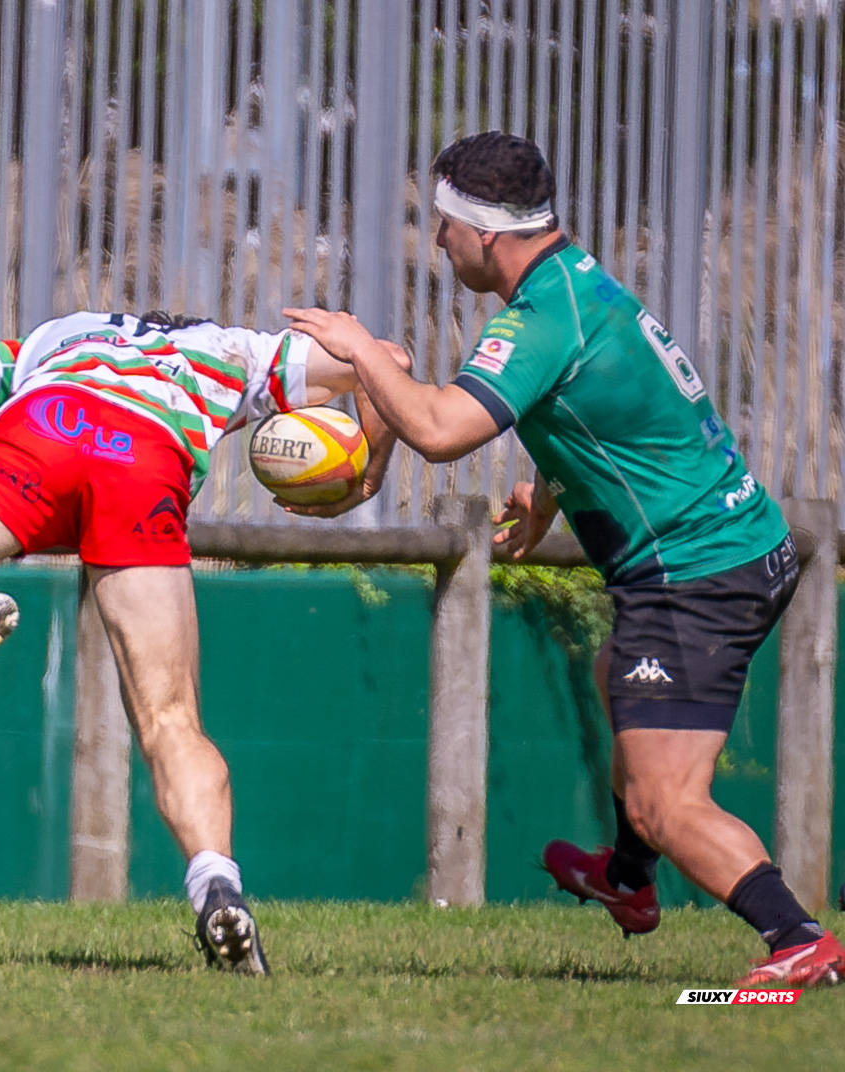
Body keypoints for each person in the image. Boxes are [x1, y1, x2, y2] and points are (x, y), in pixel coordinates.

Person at [285, 130, 842, 988]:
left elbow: (436, 430)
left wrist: (359, 348)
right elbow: (592, 413)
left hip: (696, 575)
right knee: (617, 671)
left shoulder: (541, 319)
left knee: (667, 801)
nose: (437, 241)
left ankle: (798, 940)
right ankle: (626, 880)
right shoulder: (576, 286)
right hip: (731, 549)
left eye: (444, 224)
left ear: (486, 232)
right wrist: (546, 501)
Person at [0, 309, 400, 974]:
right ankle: (215, 883)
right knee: (171, 720)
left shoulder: (59, 334)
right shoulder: (238, 351)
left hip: (48, 423)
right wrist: (366, 469)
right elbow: (384, 361)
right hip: (145, 458)